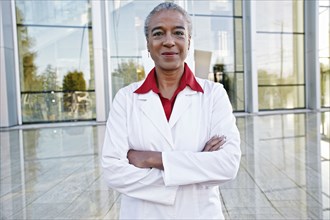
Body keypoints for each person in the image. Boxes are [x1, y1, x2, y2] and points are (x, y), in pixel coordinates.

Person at [102, 2, 241, 219]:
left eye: (178, 32)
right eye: (158, 33)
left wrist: (151, 159)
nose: (169, 41)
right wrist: (196, 167)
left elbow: (228, 164)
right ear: (148, 44)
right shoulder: (126, 99)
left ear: (188, 41)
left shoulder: (214, 94)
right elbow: (112, 170)